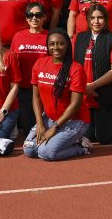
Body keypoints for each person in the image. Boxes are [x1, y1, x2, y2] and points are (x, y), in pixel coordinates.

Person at [24, 31, 91, 161]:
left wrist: (54, 128)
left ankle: (81, 147)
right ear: (47, 46)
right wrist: (40, 123)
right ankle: (67, 141)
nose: (56, 47)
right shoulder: (40, 64)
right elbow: (36, 97)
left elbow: (75, 105)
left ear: (67, 46)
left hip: (74, 120)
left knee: (46, 153)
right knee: (30, 149)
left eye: (60, 44)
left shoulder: (76, 69)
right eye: (52, 44)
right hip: (49, 118)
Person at [74, 4, 112, 145]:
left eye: (100, 17)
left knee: (104, 139)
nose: (96, 21)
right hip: (83, 93)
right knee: (89, 136)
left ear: (106, 20)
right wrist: (84, 88)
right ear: (88, 19)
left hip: (103, 93)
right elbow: (72, 66)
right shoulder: (78, 38)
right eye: (93, 17)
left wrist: (93, 86)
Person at [9, 2, 50, 138]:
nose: (34, 18)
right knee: (29, 132)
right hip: (24, 89)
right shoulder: (18, 36)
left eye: (38, 15)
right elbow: (12, 63)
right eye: (30, 15)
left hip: (44, 89)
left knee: (45, 130)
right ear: (26, 18)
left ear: (44, 17)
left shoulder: (50, 37)